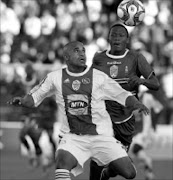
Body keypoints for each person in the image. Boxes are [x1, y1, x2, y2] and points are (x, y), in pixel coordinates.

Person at [8, 41, 149, 180]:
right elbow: (35, 96)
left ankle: (106, 172)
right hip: (73, 137)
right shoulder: (55, 77)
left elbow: (120, 93)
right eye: (77, 50)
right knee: (62, 162)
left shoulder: (98, 76)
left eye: (83, 50)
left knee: (130, 173)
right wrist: (22, 101)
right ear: (66, 57)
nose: (82, 53)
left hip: (101, 136)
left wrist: (137, 104)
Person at [90, 23, 160, 180]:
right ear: (108, 37)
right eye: (113, 35)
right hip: (104, 119)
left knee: (127, 173)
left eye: (120, 36)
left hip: (126, 123)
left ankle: (107, 173)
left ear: (127, 39)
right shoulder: (99, 58)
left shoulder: (136, 58)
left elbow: (155, 84)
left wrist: (140, 81)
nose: (116, 39)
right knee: (98, 160)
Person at [129, 85, 163, 180]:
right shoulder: (131, 98)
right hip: (136, 131)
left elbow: (159, 108)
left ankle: (147, 163)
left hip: (145, 130)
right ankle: (148, 173)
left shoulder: (148, 97)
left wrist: (154, 124)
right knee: (136, 152)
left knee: (136, 149)